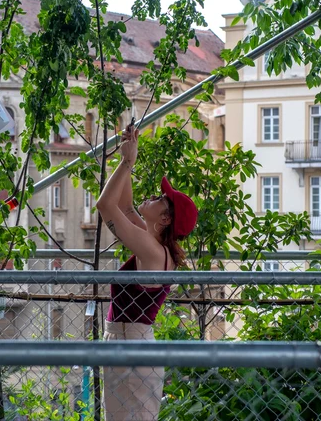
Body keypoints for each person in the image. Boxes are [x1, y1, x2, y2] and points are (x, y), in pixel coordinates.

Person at [95, 124, 198, 421]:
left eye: (158, 199)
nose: (152, 197)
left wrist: (128, 163)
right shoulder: (153, 246)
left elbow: (106, 206)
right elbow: (124, 207)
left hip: (129, 346)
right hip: (129, 344)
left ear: (165, 218)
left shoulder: (153, 252)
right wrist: (127, 153)